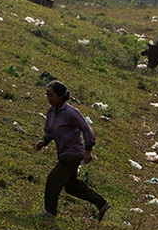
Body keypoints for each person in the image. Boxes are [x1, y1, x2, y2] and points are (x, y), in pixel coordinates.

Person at [34, 80, 110, 220]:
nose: (48, 99)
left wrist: (88, 151)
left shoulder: (71, 113)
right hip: (63, 153)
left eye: (51, 96)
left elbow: (87, 131)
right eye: (47, 95)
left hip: (73, 154)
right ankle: (101, 203)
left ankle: (50, 213)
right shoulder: (51, 112)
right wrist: (43, 142)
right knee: (71, 186)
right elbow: (50, 132)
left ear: (61, 96)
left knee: (53, 180)